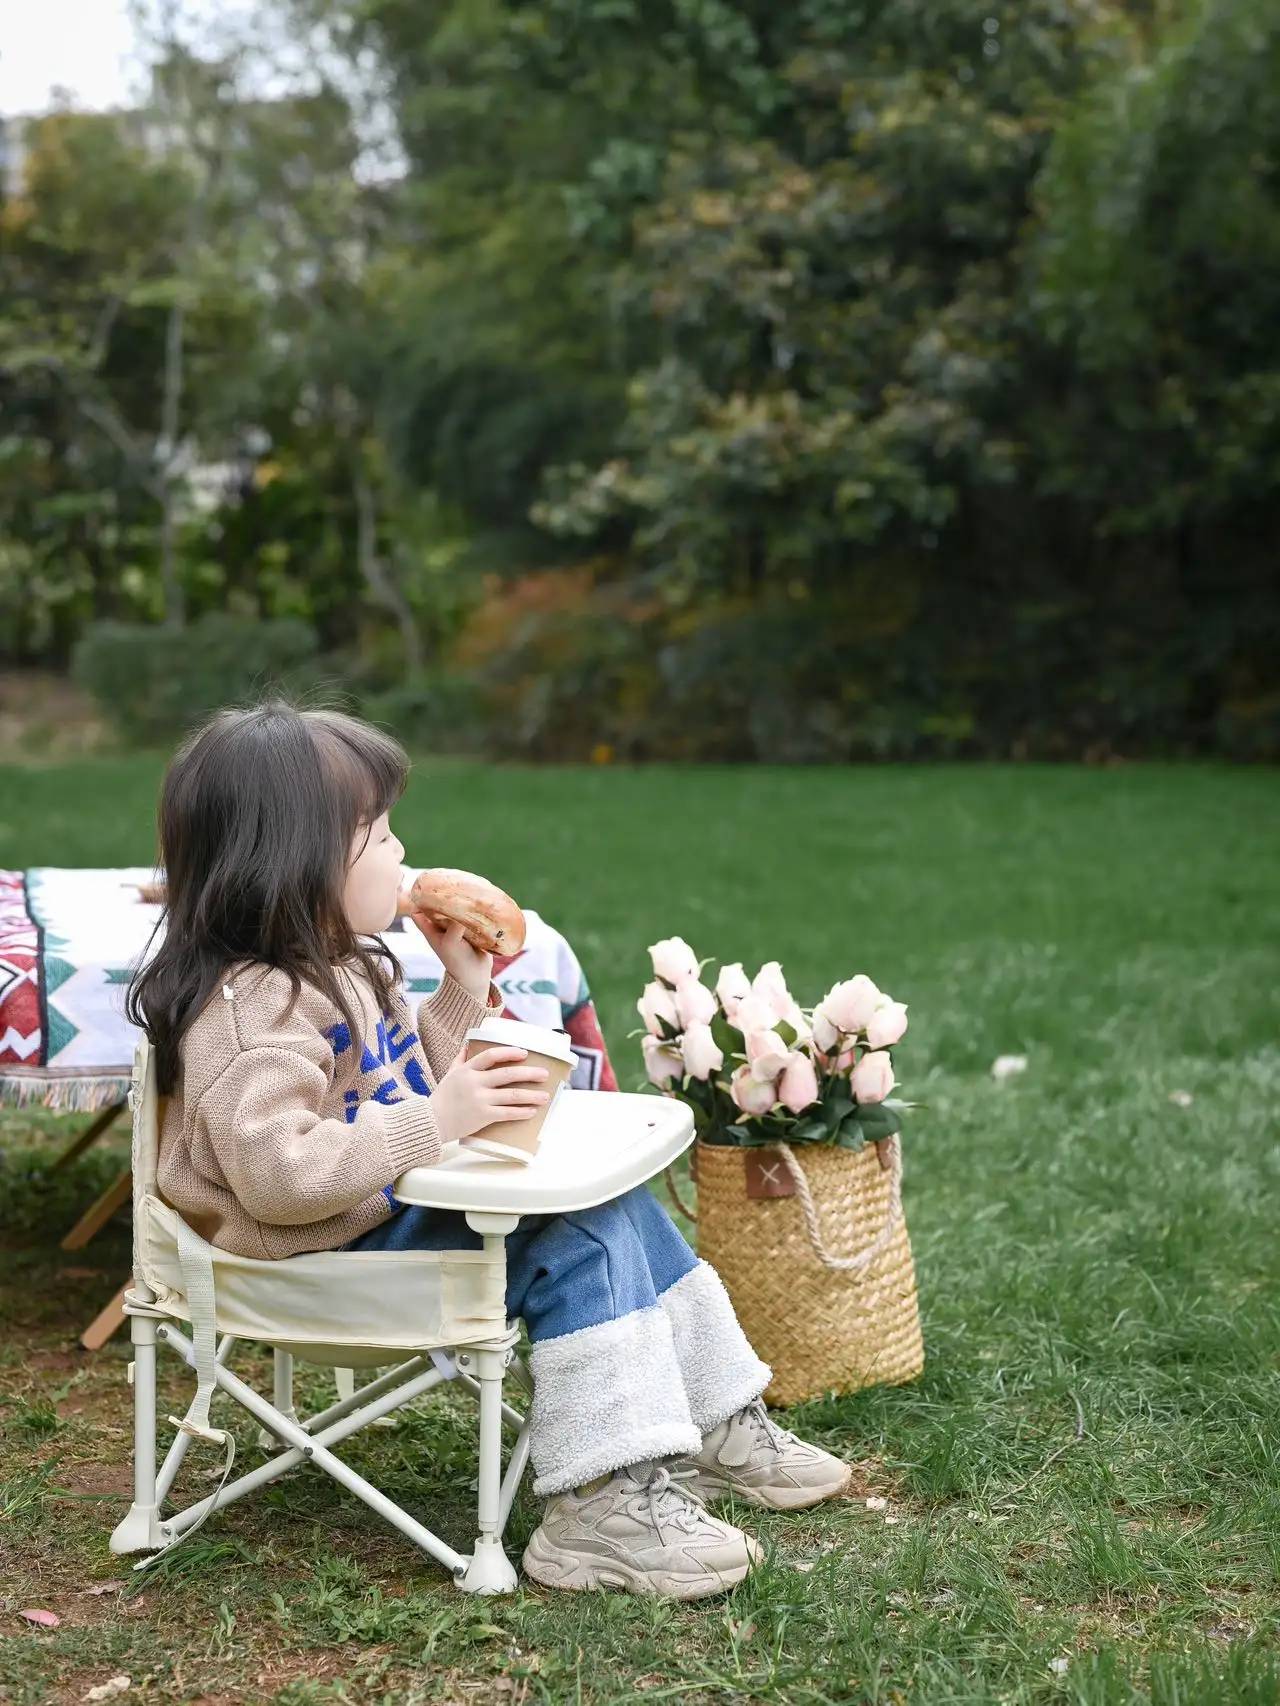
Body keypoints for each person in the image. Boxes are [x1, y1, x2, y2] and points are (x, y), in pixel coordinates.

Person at [129, 703, 852, 1599]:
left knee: (618, 1207)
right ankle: (597, 1509)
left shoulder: (341, 964)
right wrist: (444, 1120)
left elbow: (392, 1088)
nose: (401, 855)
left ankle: (711, 1420)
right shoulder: (255, 1011)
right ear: (293, 859)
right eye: (378, 835)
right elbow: (285, 1178)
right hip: (310, 1255)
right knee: (573, 1238)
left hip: (369, 1213)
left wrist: (462, 995)